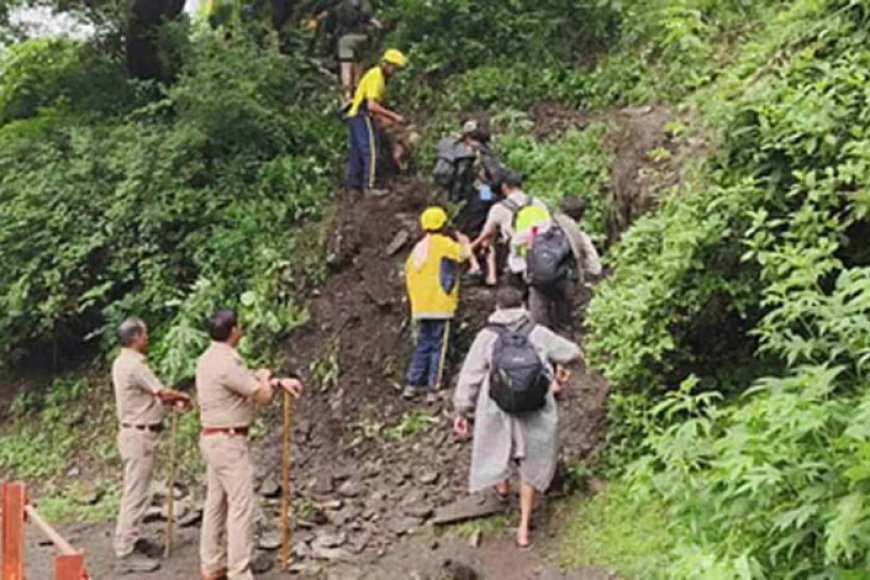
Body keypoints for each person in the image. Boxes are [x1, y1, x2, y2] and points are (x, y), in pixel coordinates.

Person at [452, 287, 581, 548]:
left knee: (498, 446)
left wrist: (461, 410)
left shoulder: (486, 337)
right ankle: (523, 529)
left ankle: (502, 488)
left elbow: (470, 377)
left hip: (496, 408)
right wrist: (561, 369)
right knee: (530, 464)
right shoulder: (537, 332)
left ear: (497, 308)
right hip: (535, 407)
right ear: (523, 306)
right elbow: (572, 352)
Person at [197, 309, 303, 580]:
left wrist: (276, 380)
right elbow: (262, 396)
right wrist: (268, 379)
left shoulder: (209, 358)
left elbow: (242, 382)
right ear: (234, 331)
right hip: (229, 442)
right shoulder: (227, 362)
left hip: (214, 438)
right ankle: (239, 571)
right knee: (240, 506)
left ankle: (212, 564)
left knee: (216, 503)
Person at [112, 317, 192, 574]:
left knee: (140, 491)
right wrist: (182, 396)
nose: (148, 338)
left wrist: (168, 405)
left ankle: (133, 539)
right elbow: (161, 392)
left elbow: (146, 398)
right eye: (145, 334)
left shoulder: (122, 361)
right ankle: (125, 549)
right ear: (135, 337)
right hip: (139, 436)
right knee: (136, 493)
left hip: (137, 433)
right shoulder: (135, 365)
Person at [404, 206, 471, 400]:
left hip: (420, 306)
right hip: (440, 305)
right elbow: (463, 254)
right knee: (438, 346)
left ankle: (412, 383)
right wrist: (464, 241)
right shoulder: (443, 244)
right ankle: (435, 386)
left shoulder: (418, 248)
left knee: (423, 344)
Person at [527, 196, 603, 332]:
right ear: (581, 216)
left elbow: (517, 241)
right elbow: (595, 267)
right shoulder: (579, 234)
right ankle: (565, 333)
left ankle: (538, 337)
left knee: (538, 320)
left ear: (559, 210)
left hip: (537, 279)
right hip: (563, 281)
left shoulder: (538, 227)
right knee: (564, 316)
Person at [346, 48, 410, 196]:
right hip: (361, 114)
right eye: (395, 67)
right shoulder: (377, 77)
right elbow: (372, 105)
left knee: (357, 151)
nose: (396, 71)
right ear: (388, 65)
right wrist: (394, 117)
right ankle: (370, 186)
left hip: (354, 115)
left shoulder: (377, 75)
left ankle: (353, 186)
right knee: (371, 149)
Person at [470, 170, 549, 289]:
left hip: (517, 254)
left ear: (504, 187)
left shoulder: (499, 208)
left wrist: (472, 246)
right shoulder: (538, 203)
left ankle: (491, 276)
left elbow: (487, 233)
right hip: (541, 251)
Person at [314, 0, 381, 99]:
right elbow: (374, 22)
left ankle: (347, 94)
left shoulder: (338, 7)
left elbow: (329, 28)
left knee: (346, 65)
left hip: (346, 40)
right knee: (359, 61)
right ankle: (358, 90)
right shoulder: (365, 4)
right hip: (363, 38)